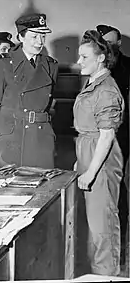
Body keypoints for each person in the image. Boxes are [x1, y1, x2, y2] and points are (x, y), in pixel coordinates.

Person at [74, 30, 124, 275]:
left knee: (102, 225)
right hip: (89, 153)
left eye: (84, 57)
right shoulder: (94, 82)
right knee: (93, 226)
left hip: (100, 160)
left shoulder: (105, 90)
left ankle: (107, 275)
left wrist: (91, 172)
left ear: (101, 58)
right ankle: (96, 273)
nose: (79, 62)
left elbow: (106, 136)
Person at [0, 13, 58, 168]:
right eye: (34, 37)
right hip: (11, 136)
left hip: (40, 135)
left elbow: (48, 102)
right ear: (21, 37)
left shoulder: (51, 65)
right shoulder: (3, 64)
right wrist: (14, 121)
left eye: (43, 36)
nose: (40, 42)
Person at [96, 24, 130, 266]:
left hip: (124, 132)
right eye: (106, 43)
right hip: (99, 132)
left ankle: (118, 247)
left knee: (117, 185)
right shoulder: (96, 64)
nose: (111, 47)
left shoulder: (128, 64)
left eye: (115, 43)